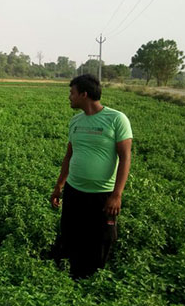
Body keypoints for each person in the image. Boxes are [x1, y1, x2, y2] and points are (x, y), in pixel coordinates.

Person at [50, 74, 132, 279]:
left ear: (84, 95)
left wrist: (117, 195)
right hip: (74, 190)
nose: (69, 97)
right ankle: (70, 276)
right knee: (71, 234)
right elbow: (69, 155)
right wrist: (59, 186)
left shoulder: (116, 119)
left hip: (103, 194)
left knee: (100, 239)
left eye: (72, 93)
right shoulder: (75, 121)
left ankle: (93, 279)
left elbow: (125, 158)